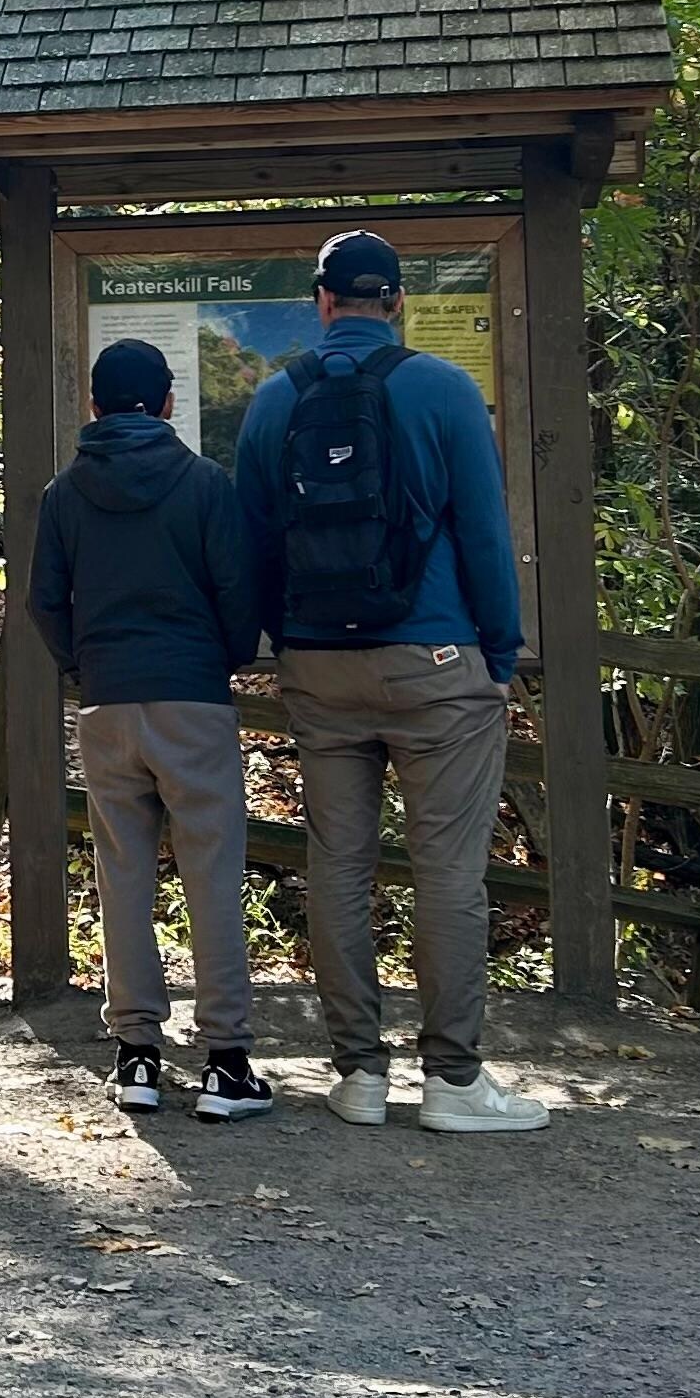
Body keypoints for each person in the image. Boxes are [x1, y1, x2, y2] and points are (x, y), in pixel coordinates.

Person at [234, 229, 547, 1136]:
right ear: (398, 301)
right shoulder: (445, 390)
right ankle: (451, 1080)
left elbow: (255, 539)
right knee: (449, 872)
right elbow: (485, 533)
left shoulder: (271, 402)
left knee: (339, 863)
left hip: (318, 665)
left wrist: (277, 642)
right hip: (438, 664)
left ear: (322, 301)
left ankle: (359, 1074)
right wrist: (498, 652)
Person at [28, 334, 273, 1121]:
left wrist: (85, 664)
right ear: (168, 402)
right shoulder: (204, 482)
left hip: (108, 701)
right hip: (192, 695)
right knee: (212, 873)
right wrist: (224, 658)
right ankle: (226, 1064)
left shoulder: (63, 494)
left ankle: (136, 1055)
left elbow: (44, 601)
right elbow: (238, 590)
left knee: (122, 873)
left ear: (94, 405)